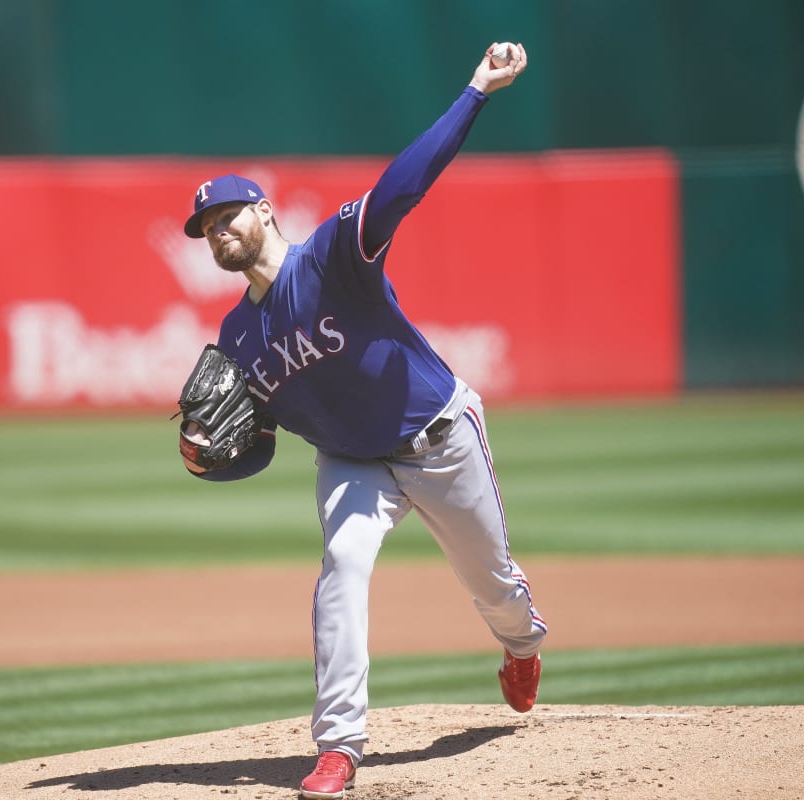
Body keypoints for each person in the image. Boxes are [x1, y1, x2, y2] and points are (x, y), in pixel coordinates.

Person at [177, 41, 546, 799]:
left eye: (226, 214)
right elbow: (258, 444)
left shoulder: (334, 255)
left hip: (439, 434)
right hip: (351, 463)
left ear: (263, 209)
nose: (216, 230)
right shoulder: (237, 338)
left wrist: (476, 89)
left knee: (497, 587)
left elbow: (403, 183)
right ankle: (339, 747)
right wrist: (205, 457)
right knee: (342, 569)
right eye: (205, 225)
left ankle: (520, 650)